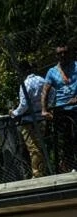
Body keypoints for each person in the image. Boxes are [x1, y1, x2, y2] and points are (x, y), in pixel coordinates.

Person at [42, 43, 77, 173]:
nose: (63, 55)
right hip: (61, 109)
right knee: (65, 140)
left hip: (75, 108)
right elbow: (45, 91)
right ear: (56, 55)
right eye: (60, 53)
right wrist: (44, 109)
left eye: (65, 52)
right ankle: (71, 166)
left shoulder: (76, 66)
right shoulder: (52, 72)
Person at [11, 60, 48, 178]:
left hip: (28, 120)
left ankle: (37, 173)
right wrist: (47, 108)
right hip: (41, 117)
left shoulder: (25, 84)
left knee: (32, 147)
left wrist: (14, 113)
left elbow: (24, 105)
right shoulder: (42, 80)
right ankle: (43, 170)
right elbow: (51, 93)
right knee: (41, 144)